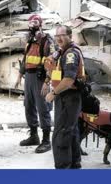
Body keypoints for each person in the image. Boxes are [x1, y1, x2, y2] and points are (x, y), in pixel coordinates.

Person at [44, 25, 86, 169]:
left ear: (70, 36)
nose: (59, 38)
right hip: (65, 97)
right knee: (71, 131)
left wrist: (53, 93)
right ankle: (74, 165)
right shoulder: (61, 52)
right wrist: (46, 82)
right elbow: (55, 72)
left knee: (61, 135)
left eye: (62, 35)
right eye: (56, 36)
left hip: (68, 97)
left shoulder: (70, 54)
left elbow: (68, 80)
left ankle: (63, 169)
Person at [14, 14, 55, 153]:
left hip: (40, 78)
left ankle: (46, 140)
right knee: (29, 106)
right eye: (30, 23)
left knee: (43, 108)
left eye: (35, 23)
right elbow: (25, 58)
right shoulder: (29, 41)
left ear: (40, 25)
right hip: (29, 78)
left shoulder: (46, 40)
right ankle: (33, 136)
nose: (32, 26)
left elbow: (50, 62)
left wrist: (47, 81)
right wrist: (20, 74)